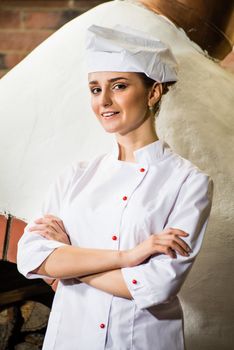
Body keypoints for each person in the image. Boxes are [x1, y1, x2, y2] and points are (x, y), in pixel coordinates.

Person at [17, 24, 214, 350]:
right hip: (72, 338)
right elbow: (32, 257)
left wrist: (70, 264)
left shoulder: (189, 182)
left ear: (153, 92)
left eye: (119, 86)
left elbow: (157, 286)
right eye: (95, 89)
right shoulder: (74, 177)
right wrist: (130, 255)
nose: (104, 101)